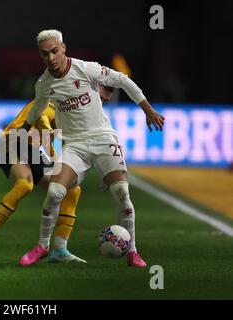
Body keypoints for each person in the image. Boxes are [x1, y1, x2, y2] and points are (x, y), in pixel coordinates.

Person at [19, 30, 165, 267]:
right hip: (75, 145)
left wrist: (147, 109)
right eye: (45, 54)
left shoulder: (86, 68)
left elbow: (122, 80)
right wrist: (25, 126)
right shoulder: (44, 83)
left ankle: (132, 251)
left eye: (55, 51)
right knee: (55, 192)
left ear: (64, 48)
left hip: (103, 138)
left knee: (122, 193)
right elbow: (39, 106)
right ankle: (42, 246)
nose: (51, 57)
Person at [0, 99, 85, 263]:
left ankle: (60, 249)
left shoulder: (66, 110)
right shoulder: (52, 100)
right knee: (25, 184)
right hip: (11, 143)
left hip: (34, 150)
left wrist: (56, 161)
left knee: (72, 188)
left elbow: (47, 142)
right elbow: (42, 117)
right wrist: (48, 131)